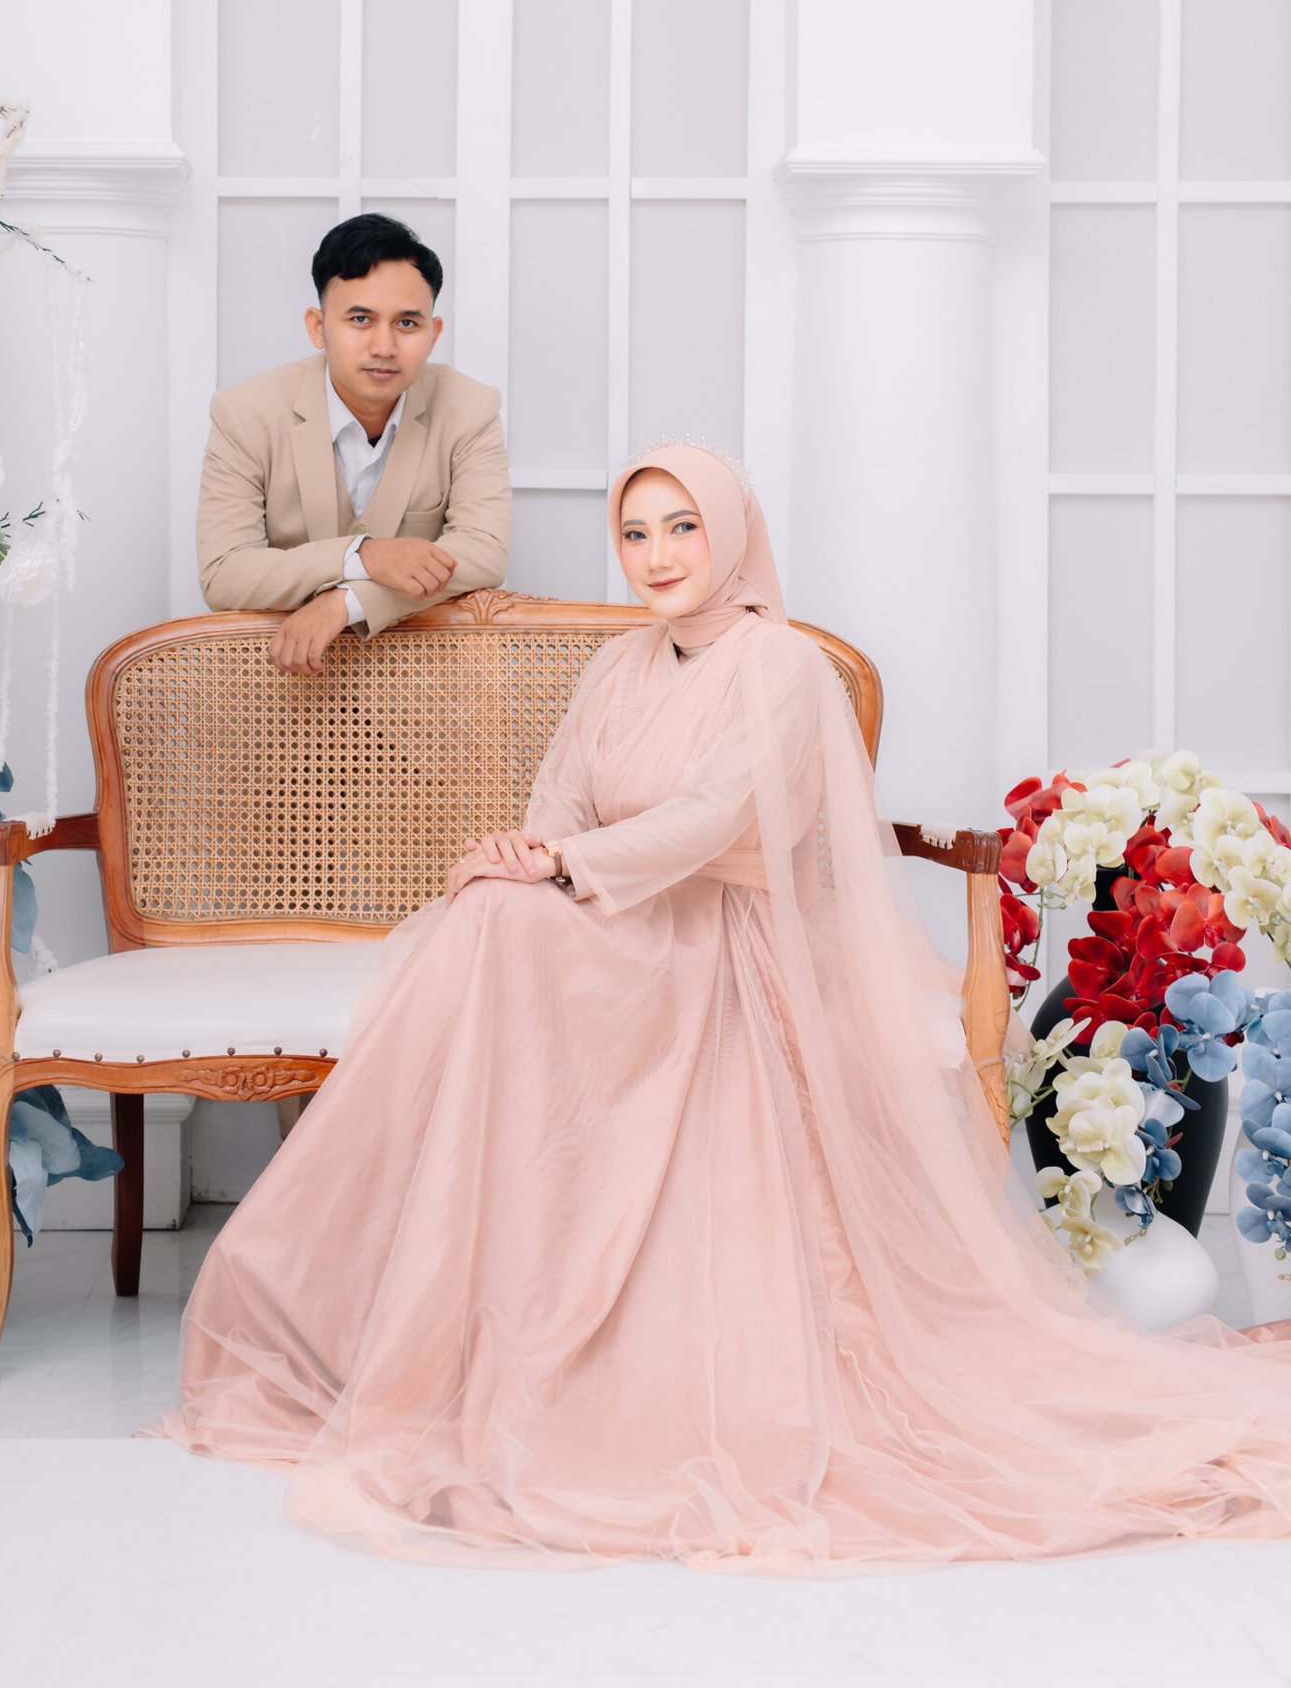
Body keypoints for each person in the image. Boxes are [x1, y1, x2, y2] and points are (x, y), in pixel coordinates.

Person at [153, 444, 1291, 1574]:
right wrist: (527, 851)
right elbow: (560, 800)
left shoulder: (779, 667)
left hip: (719, 939)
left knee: (504, 916)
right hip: (616, 926)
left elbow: (711, 821)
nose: (656, 556)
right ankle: (447, 1302)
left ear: (730, 534)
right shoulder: (619, 665)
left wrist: (561, 863)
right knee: (488, 910)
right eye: (635, 533)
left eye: (682, 528)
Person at [196, 212, 512, 676]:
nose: (384, 346)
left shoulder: (471, 408)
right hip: (281, 682)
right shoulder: (245, 414)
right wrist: (363, 555)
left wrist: (347, 601)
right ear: (318, 326)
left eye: (407, 323)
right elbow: (224, 573)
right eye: (360, 319)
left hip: (426, 687)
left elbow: (484, 552)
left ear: (434, 334)